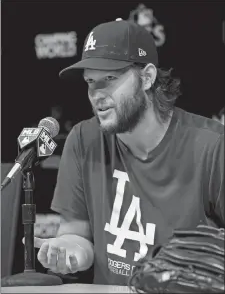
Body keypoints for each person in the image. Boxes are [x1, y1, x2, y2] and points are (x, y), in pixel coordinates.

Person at [33, 19, 224, 286]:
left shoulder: (212, 146)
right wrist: (68, 251)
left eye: (109, 79)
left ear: (147, 77)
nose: (96, 94)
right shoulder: (83, 139)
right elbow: (77, 236)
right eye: (90, 81)